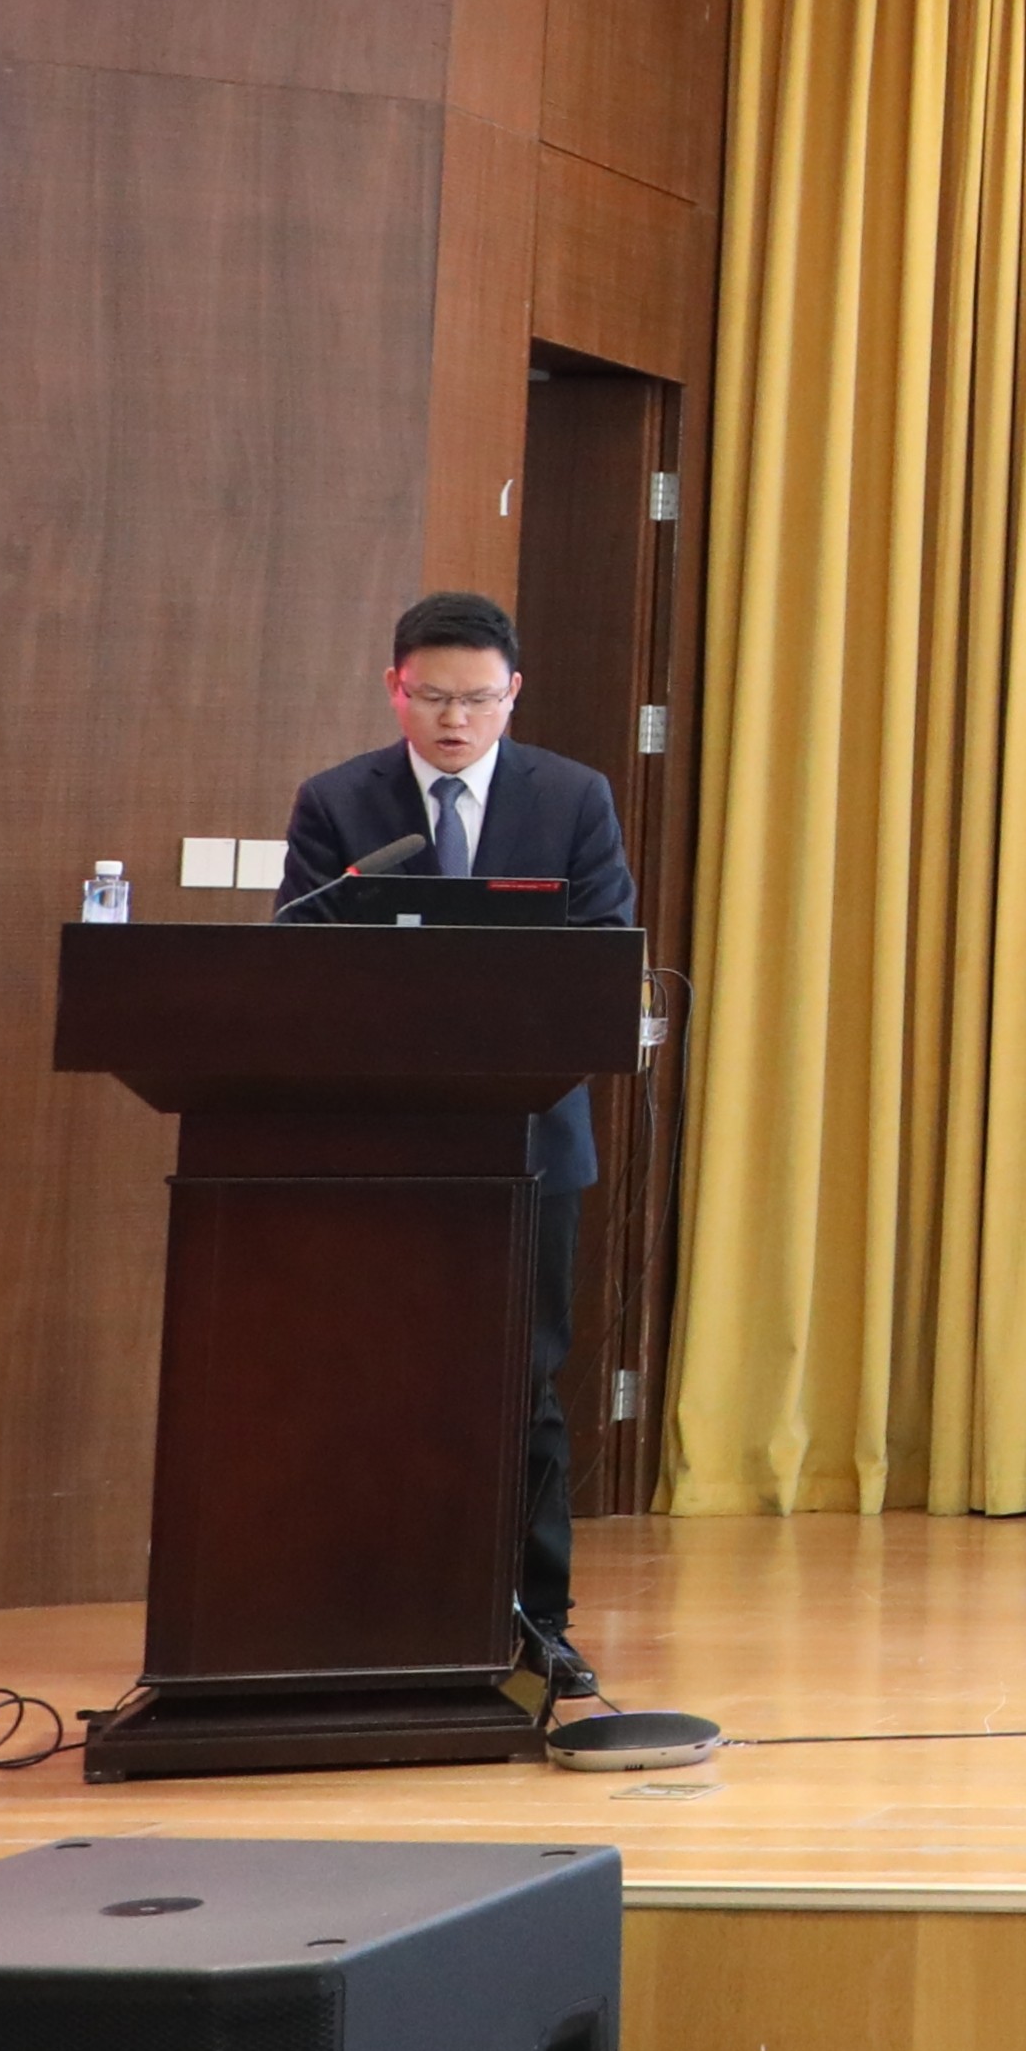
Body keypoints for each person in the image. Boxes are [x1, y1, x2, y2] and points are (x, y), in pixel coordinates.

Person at [281, 588, 635, 1710]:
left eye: (478, 699)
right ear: (395, 688)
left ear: (512, 693)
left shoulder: (573, 796)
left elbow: (603, 954)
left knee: (524, 1382)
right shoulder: (340, 802)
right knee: (376, 1375)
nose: (454, 719)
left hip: (531, 1140)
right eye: (432, 696)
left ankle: (539, 1620)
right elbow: (300, 955)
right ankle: (366, 1608)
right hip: (382, 1140)